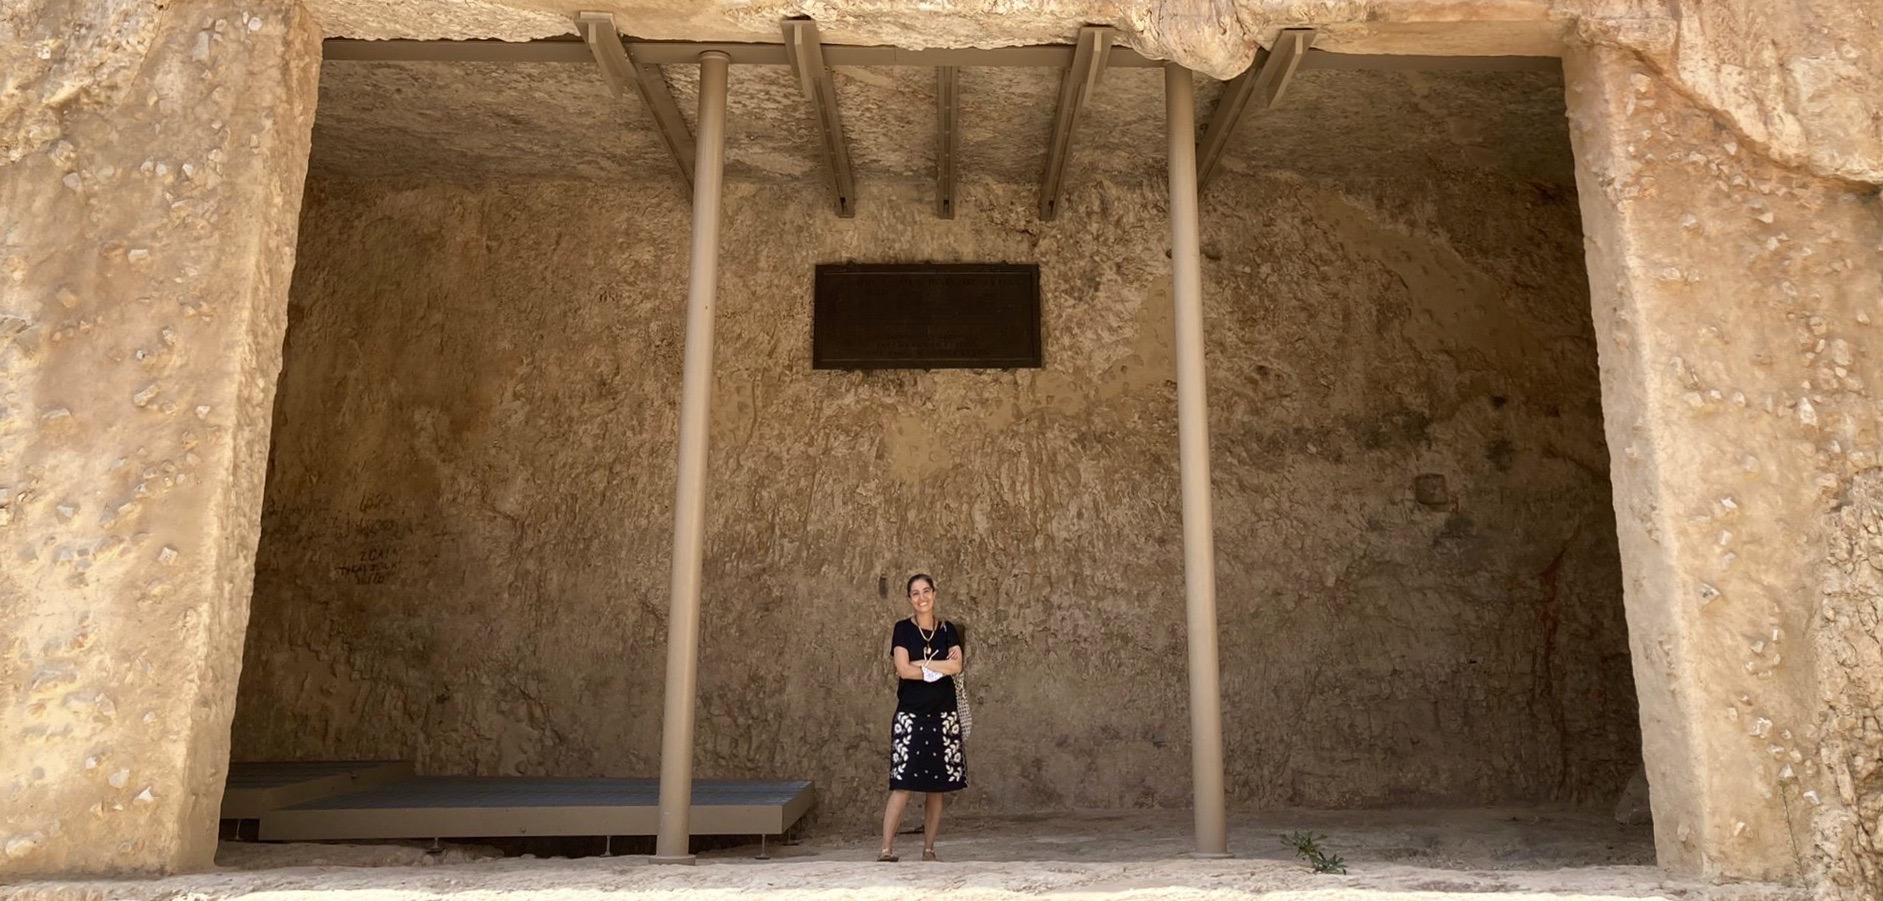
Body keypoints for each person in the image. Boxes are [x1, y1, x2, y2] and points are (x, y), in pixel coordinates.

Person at [878, 572, 965, 862]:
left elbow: (957, 667)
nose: (922, 597)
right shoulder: (902, 629)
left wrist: (922, 665)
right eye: (915, 593)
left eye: (926, 591)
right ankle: (886, 849)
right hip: (911, 714)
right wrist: (937, 667)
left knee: (936, 787)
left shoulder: (948, 630)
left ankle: (929, 849)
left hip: (943, 714)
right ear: (909, 599)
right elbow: (903, 669)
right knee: (902, 783)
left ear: (935, 594)